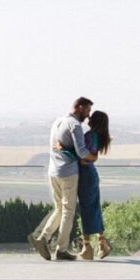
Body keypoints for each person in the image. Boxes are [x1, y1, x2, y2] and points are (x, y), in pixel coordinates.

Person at [32, 97, 97, 261]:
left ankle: (43, 238)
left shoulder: (57, 122)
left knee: (59, 208)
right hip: (68, 173)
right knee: (68, 210)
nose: (88, 116)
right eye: (87, 111)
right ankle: (61, 249)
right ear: (80, 107)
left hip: (53, 171)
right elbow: (82, 152)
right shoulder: (74, 125)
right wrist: (93, 157)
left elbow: (57, 147)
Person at [75, 110, 112, 260]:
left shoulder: (90, 136)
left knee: (86, 210)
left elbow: (86, 158)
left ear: (95, 121)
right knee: (94, 208)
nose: (88, 118)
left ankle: (88, 246)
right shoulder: (97, 136)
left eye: (92, 116)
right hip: (90, 174)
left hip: (85, 175)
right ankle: (101, 243)